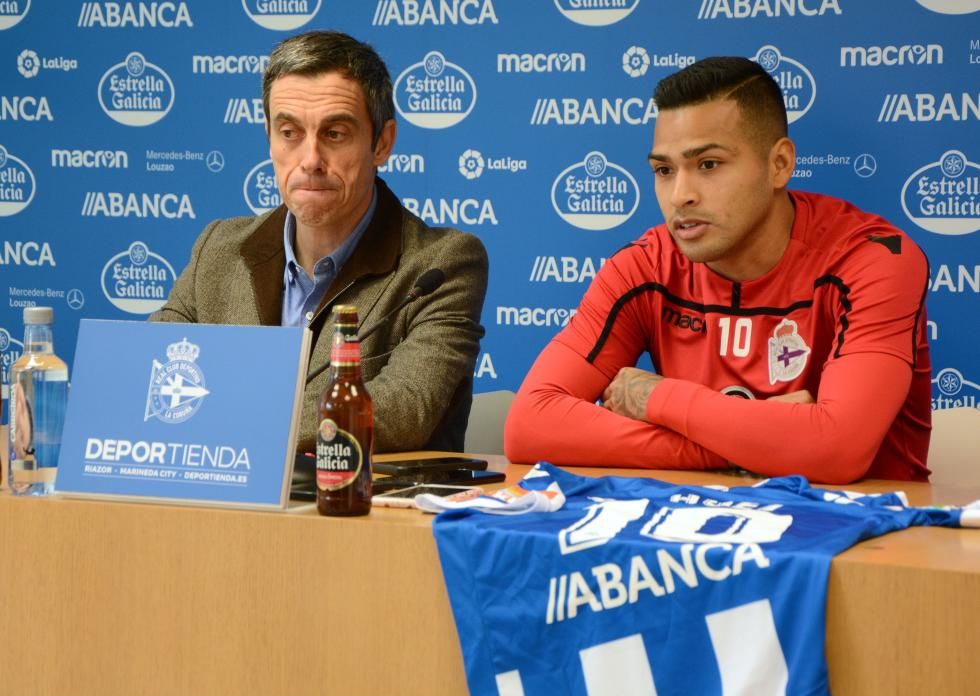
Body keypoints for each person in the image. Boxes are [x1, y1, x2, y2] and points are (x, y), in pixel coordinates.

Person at [504, 56, 931, 483]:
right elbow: (529, 424)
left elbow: (836, 449)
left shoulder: (871, 260)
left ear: (779, 164)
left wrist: (659, 397)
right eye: (664, 170)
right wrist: (754, 440)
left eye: (708, 164)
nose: (680, 195)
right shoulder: (643, 266)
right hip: (699, 533)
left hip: (865, 537)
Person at [152, 31, 488, 454]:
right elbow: (151, 376)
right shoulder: (217, 250)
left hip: (359, 514)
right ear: (269, 138)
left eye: (335, 134)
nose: (309, 160)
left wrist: (211, 413)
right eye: (289, 132)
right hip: (220, 512)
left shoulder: (441, 266)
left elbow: (400, 412)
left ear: (382, 143)